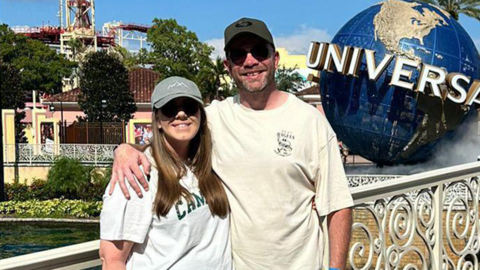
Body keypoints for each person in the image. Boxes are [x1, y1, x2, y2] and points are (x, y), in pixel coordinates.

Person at [110, 17, 354, 270]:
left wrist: (335, 268)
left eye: (260, 52)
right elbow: (171, 134)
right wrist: (124, 149)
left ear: (276, 59)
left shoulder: (310, 122)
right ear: (228, 66)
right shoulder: (213, 118)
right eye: (239, 55)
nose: (250, 61)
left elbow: (337, 205)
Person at [99, 76, 232, 270]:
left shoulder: (209, 162)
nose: (180, 114)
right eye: (170, 109)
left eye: (189, 106)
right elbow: (112, 260)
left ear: (201, 114)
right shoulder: (138, 174)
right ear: (158, 120)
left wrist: (124, 147)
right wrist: (122, 149)